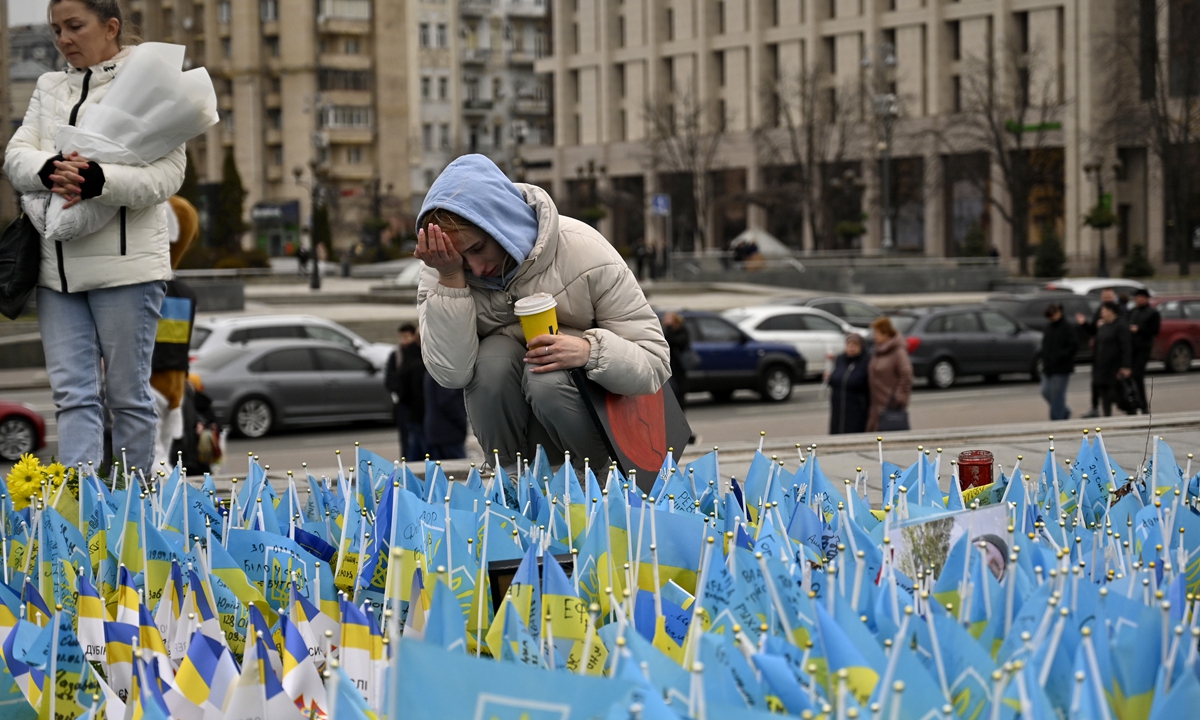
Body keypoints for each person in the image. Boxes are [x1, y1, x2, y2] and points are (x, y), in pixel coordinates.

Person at [4, 0, 186, 476]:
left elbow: (168, 176)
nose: (63, 38)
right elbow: (16, 154)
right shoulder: (48, 86)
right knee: (72, 398)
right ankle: (83, 515)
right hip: (53, 272)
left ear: (111, 28)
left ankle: (134, 510)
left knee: (128, 397)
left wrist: (99, 181)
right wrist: (48, 170)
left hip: (125, 273)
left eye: (74, 26)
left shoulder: (154, 86)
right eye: (55, 29)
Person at [413, 154, 670, 469]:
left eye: (478, 249)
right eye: (462, 260)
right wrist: (451, 280)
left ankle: (597, 478)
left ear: (502, 222)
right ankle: (509, 477)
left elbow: (654, 364)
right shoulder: (444, 271)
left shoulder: (584, 250)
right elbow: (452, 374)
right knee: (493, 357)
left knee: (546, 376)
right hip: (518, 444)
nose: (477, 269)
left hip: (602, 437)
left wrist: (590, 351)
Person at [150, 197, 200, 466]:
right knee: (165, 451)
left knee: (153, 456)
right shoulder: (187, 293)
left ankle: (167, 503)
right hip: (176, 383)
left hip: (150, 378)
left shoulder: (150, 288)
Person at [1077, 287, 1127, 417]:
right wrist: (1084, 324)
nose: (1107, 300)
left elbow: (1125, 342)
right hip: (1100, 355)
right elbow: (1093, 331)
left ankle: (1128, 407)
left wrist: (1126, 365)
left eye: (1109, 298)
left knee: (1114, 390)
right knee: (1097, 384)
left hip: (1114, 359)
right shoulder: (1101, 311)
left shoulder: (1119, 313)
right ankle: (1097, 409)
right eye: (1105, 298)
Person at [384, 323, 426, 459]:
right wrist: (399, 391)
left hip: (417, 405)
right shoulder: (396, 354)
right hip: (404, 403)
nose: (404, 340)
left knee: (417, 439)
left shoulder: (420, 353)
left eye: (407, 336)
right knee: (406, 437)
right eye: (402, 337)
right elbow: (390, 378)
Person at [866, 316, 913, 433]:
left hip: (890, 405)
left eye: (877, 333)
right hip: (876, 406)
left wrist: (899, 397)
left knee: (888, 439)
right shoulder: (878, 351)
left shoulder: (898, 352)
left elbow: (906, 374)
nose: (874, 336)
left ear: (886, 334)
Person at [1090, 301, 1133, 417]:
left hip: (1115, 368)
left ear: (1111, 311)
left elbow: (1126, 347)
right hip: (1102, 367)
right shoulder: (1103, 326)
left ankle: (1131, 411)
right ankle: (1107, 417)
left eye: (1103, 311)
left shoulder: (1121, 326)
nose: (1101, 314)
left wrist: (1126, 366)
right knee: (1104, 395)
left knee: (1117, 396)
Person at [1039, 302, 1079, 421]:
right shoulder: (1048, 327)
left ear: (1059, 313)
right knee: (1046, 391)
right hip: (1048, 366)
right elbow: (1045, 344)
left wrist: (1061, 356)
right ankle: (1064, 411)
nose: (1052, 318)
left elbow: (1073, 345)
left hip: (1061, 366)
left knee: (1057, 394)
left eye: (1053, 315)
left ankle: (1057, 418)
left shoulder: (1067, 327)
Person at [827, 334, 871, 434]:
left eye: (855, 345)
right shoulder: (840, 359)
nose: (851, 348)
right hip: (838, 407)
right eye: (849, 345)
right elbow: (836, 379)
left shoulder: (866, 361)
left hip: (856, 409)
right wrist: (829, 378)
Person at [1128, 288, 1160, 412]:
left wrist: (1139, 329)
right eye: (1137, 297)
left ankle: (1143, 404)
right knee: (1130, 376)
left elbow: (1155, 330)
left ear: (1146, 299)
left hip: (1143, 348)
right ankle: (1134, 403)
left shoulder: (1152, 313)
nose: (1139, 300)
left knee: (1137, 374)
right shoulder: (1133, 312)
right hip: (1132, 348)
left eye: (1141, 297)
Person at [423, 375, 468, 460]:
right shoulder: (444, 373)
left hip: (436, 430)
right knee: (459, 467)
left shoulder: (432, 370)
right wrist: (461, 420)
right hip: (449, 431)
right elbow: (447, 401)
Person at [660, 312, 692, 410]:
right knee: (671, 391)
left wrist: (669, 328)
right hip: (669, 364)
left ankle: (681, 411)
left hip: (679, 365)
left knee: (680, 390)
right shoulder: (664, 330)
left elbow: (674, 341)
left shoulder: (681, 330)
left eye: (669, 319)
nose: (667, 321)